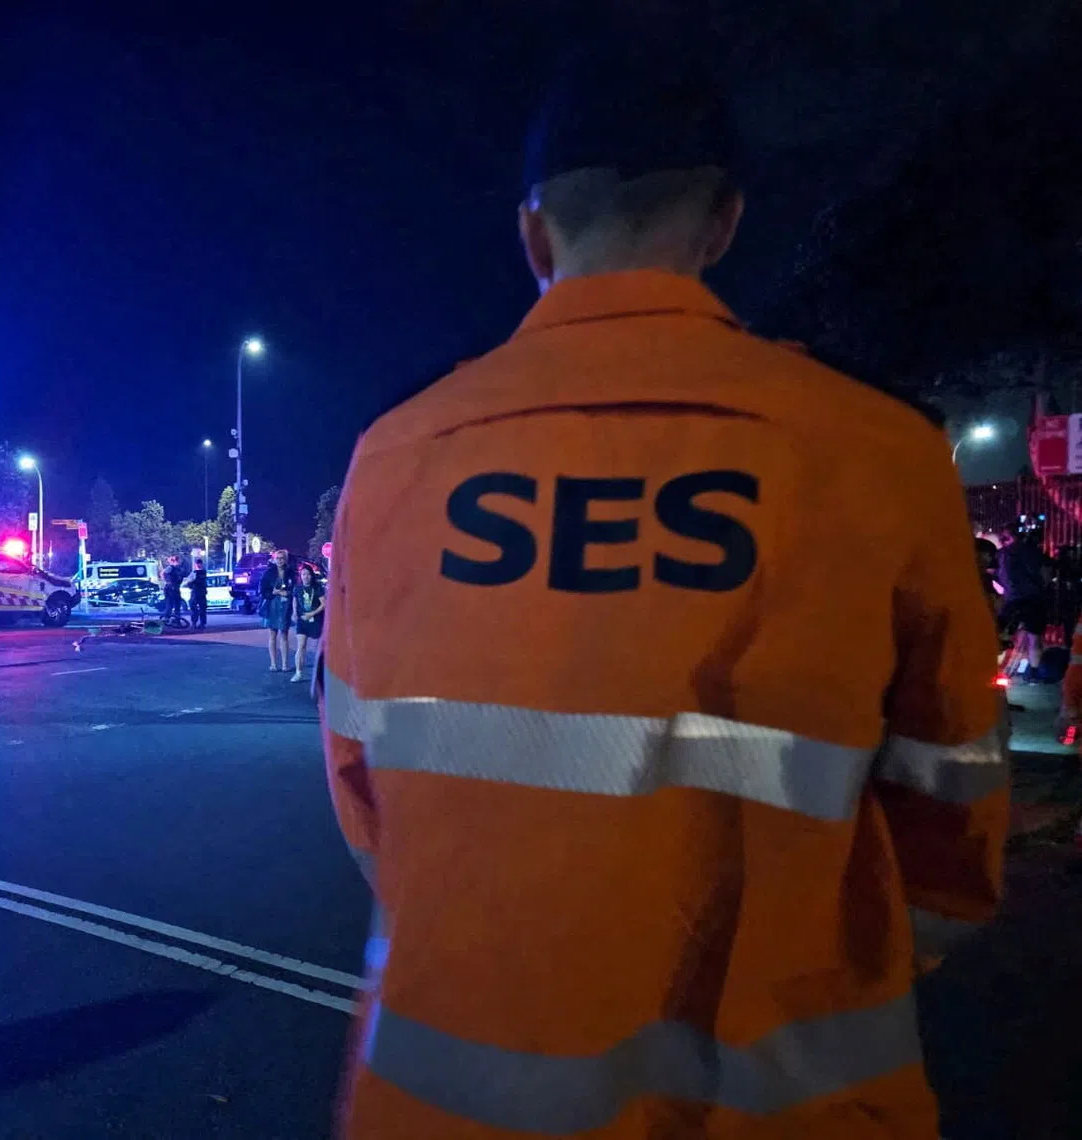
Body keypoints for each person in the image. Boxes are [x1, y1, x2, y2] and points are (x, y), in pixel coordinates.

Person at [322, 34, 1008, 1140]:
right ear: (723, 221)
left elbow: (364, 794)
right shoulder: (876, 452)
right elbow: (955, 802)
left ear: (533, 232)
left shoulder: (399, 454)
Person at [997, 520, 1048, 680]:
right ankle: (1033, 674)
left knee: (1002, 636)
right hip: (1034, 599)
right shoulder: (1034, 551)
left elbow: (994, 573)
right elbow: (1046, 573)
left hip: (1012, 600)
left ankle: (998, 671)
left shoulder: (1003, 553)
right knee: (1035, 639)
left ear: (1007, 535)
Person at [260, 549, 293, 671]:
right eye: (277, 558)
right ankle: (273, 664)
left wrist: (287, 593)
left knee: (284, 634)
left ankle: (285, 664)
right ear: (274, 559)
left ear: (285, 559)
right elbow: (263, 590)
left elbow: (295, 588)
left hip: (285, 606)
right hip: (272, 605)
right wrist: (272, 592)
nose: (280, 560)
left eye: (282, 558)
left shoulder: (290, 572)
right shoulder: (269, 573)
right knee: (272, 634)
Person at [292, 562, 325, 682]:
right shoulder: (298, 588)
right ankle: (298, 672)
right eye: (303, 574)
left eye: (308, 574)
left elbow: (324, 604)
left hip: (315, 620)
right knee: (301, 646)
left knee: (318, 647)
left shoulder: (317, 588)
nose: (305, 576)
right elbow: (295, 601)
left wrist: (312, 613)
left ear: (311, 575)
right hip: (302, 620)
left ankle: (319, 672)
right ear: (300, 576)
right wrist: (294, 613)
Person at [186, 557, 208, 631]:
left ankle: (197, 623)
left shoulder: (195, 573)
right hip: (200, 592)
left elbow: (188, 583)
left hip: (197, 593)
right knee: (200, 609)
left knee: (197, 609)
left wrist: (191, 585)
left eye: (199, 563)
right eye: (198, 563)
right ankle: (199, 623)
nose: (199, 565)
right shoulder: (203, 572)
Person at [161, 556, 184, 623]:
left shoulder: (178, 569)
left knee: (177, 604)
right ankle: (166, 619)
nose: (180, 562)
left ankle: (177, 620)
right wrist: (168, 582)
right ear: (176, 561)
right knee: (170, 604)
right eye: (179, 561)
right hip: (170, 589)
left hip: (176, 588)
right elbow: (163, 573)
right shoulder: (171, 567)